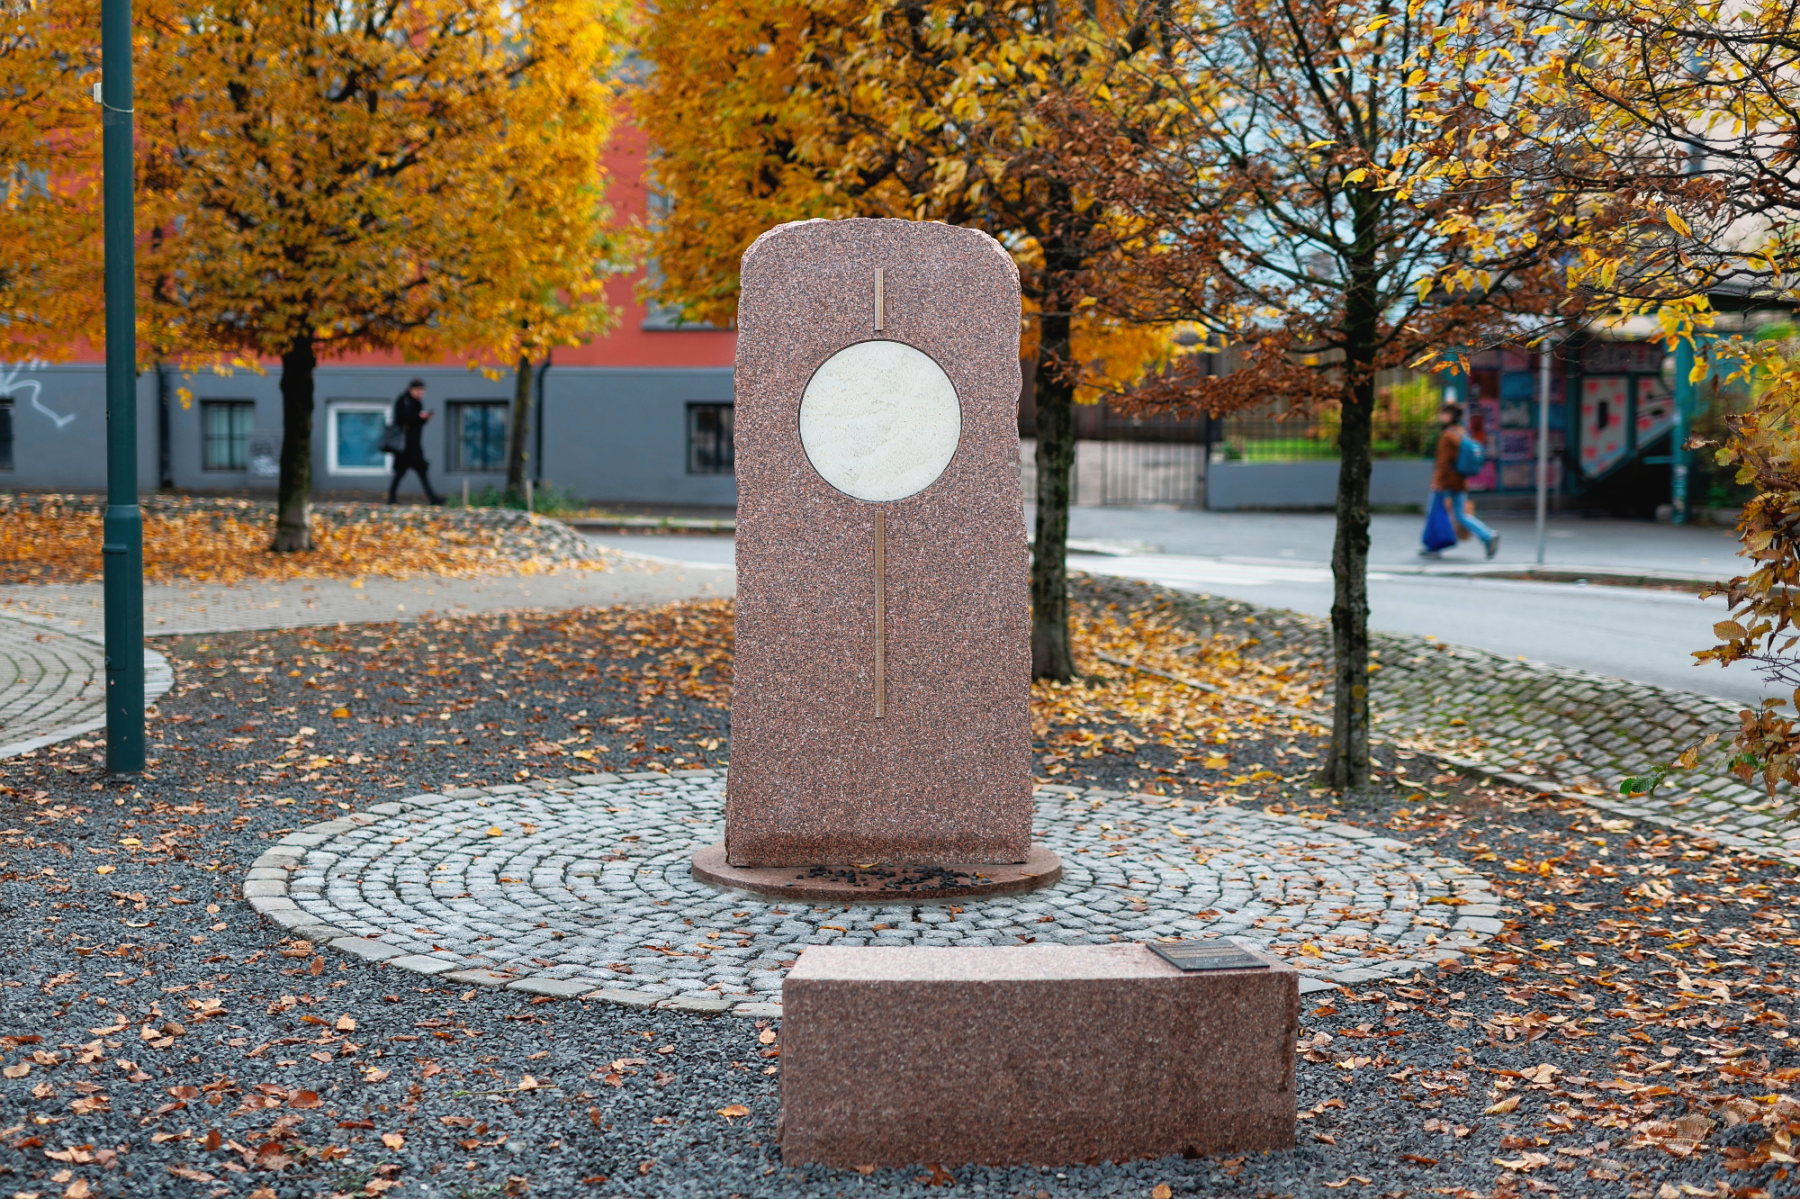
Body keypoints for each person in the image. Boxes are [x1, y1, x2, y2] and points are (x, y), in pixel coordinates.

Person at [1422, 400, 1498, 559]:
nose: (1441, 417)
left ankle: (1433, 545)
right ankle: (1488, 536)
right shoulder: (1461, 432)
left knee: (1433, 511)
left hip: (1446, 482)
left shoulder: (1447, 436)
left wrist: (1437, 483)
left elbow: (1442, 464)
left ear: (1449, 416)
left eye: (1443, 414)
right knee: (1461, 515)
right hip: (1460, 481)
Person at [388, 379, 443, 505]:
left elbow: (417, 424)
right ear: (412, 389)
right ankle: (391, 498)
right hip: (404, 446)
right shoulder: (403, 400)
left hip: (415, 445)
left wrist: (424, 419)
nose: (421, 394)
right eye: (419, 391)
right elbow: (399, 418)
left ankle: (432, 498)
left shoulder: (418, 403)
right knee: (400, 473)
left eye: (422, 392)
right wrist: (418, 417)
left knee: (421, 472)